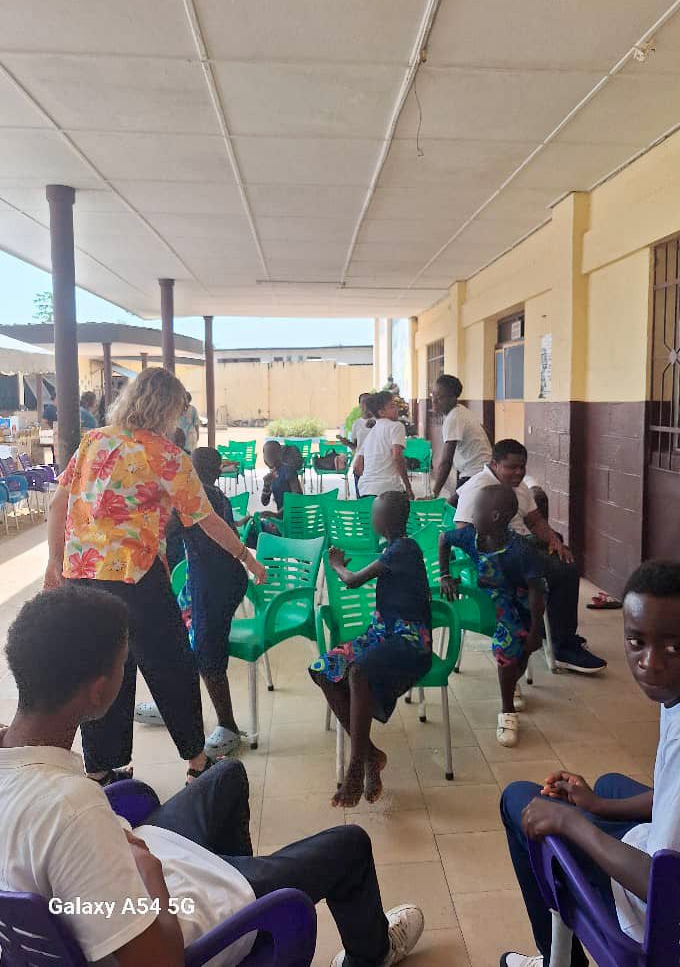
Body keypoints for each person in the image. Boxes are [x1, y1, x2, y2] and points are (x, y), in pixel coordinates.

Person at [0, 586, 426, 967]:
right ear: (97, 689)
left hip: (113, 875)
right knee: (350, 845)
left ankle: (243, 879)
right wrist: (148, 872)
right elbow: (159, 962)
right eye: (123, 664)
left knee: (226, 775)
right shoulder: (74, 810)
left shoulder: (19, 763)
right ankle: (367, 952)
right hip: (168, 923)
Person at [498, 560, 680, 967]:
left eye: (673, 647)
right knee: (607, 787)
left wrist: (570, 822)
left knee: (520, 802)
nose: (650, 662)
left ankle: (559, 961)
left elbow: (662, 884)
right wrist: (598, 807)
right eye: (637, 642)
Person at [44, 366, 266, 787]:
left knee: (102, 669)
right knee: (172, 666)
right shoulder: (168, 457)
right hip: (134, 580)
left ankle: (102, 769)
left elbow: (58, 505)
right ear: (167, 409)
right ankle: (197, 761)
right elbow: (207, 520)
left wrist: (55, 563)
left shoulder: (94, 441)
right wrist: (247, 558)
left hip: (82, 577)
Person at [310, 492, 431, 808]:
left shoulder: (404, 549)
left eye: (374, 513)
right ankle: (371, 756)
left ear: (385, 520)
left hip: (409, 641)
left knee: (358, 671)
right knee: (324, 670)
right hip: (381, 634)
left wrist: (336, 564)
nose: (371, 518)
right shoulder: (392, 548)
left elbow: (352, 581)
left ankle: (356, 764)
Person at [454, 439, 607, 674]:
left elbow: (535, 521)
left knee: (563, 554)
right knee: (564, 571)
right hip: (499, 559)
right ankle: (561, 647)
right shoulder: (479, 488)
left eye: (522, 467)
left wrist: (554, 541)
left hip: (520, 545)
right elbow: (463, 531)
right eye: (512, 467)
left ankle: (555, 632)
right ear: (494, 464)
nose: (518, 472)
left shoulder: (518, 485)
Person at [138, 448, 249, 759]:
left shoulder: (197, 497)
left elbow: (164, 529)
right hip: (205, 576)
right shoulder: (213, 493)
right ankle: (174, 705)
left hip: (216, 583)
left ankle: (227, 726)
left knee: (207, 651)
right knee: (181, 642)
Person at [439, 485, 545, 748]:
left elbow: (536, 591)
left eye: (477, 509)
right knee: (507, 645)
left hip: (522, 599)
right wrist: (445, 575)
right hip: (491, 598)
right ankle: (508, 709)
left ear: (495, 516)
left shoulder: (521, 550)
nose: (471, 514)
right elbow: (443, 539)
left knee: (523, 645)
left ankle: (511, 684)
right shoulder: (471, 536)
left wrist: (536, 629)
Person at [431, 374, 492, 497]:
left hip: (475, 475)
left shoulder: (454, 418)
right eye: (433, 395)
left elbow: (446, 461)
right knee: (454, 504)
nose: (434, 400)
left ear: (453, 398)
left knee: (455, 507)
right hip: (482, 471)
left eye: (440, 397)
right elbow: (488, 434)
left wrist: (434, 493)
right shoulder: (462, 411)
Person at [354, 392, 414, 500]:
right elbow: (397, 456)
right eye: (392, 406)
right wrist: (408, 487)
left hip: (365, 491)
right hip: (389, 490)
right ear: (381, 412)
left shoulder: (371, 434)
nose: (396, 409)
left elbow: (357, 466)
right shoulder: (396, 426)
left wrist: (372, 478)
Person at [338, 392, 375, 498]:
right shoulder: (357, 423)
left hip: (375, 463)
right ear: (360, 405)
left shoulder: (379, 422)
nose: (366, 404)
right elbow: (355, 447)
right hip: (360, 464)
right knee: (361, 498)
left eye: (369, 401)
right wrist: (347, 443)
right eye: (364, 402)